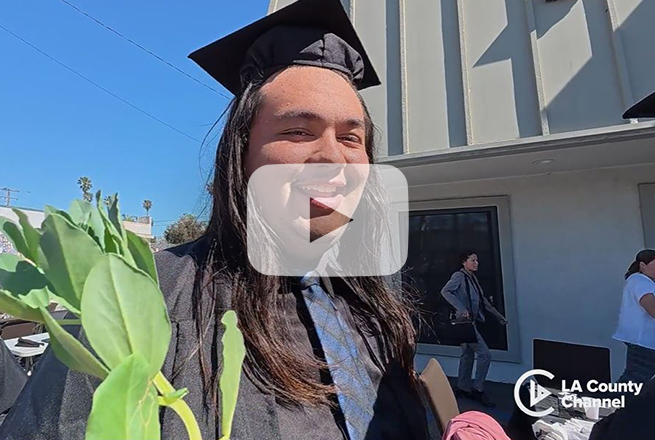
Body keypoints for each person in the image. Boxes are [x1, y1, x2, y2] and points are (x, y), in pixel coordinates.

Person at [0, 0, 430, 439]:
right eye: (298, 131)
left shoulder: (374, 309)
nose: (332, 158)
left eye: (350, 138)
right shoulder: (140, 304)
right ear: (240, 152)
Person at [441, 251, 507, 408]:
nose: (476, 263)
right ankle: (478, 388)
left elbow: (483, 301)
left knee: (467, 355)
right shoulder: (459, 276)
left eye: (477, 260)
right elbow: (445, 291)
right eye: (473, 260)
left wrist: (498, 316)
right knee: (485, 354)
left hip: (472, 322)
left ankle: (463, 386)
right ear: (464, 262)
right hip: (465, 323)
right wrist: (461, 308)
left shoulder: (473, 279)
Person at [613, 249, 655, 385]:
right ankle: (599, 402)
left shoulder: (636, 280)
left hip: (639, 340)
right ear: (643, 265)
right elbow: (652, 308)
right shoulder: (642, 281)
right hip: (644, 341)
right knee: (636, 381)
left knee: (635, 380)